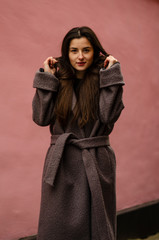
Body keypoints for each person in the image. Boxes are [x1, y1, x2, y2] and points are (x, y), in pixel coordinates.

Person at [32, 26, 125, 240]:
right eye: (74, 51)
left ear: (95, 52)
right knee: (57, 227)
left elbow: (108, 116)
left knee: (97, 227)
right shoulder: (57, 79)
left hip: (96, 159)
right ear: (66, 53)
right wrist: (47, 79)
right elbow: (41, 118)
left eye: (86, 50)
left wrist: (111, 76)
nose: (80, 56)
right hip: (62, 161)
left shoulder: (105, 77)